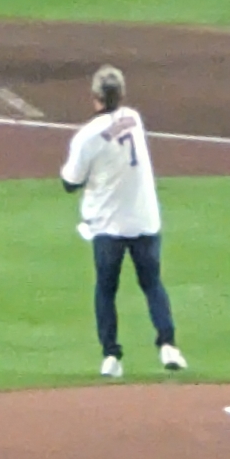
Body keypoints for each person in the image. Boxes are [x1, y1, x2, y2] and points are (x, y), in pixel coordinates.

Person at [60, 65, 187, 379]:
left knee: (106, 289)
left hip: (108, 225)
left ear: (94, 98)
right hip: (144, 218)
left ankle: (111, 356)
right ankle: (168, 344)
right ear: (122, 94)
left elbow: (69, 182)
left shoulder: (86, 137)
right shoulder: (134, 119)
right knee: (152, 283)